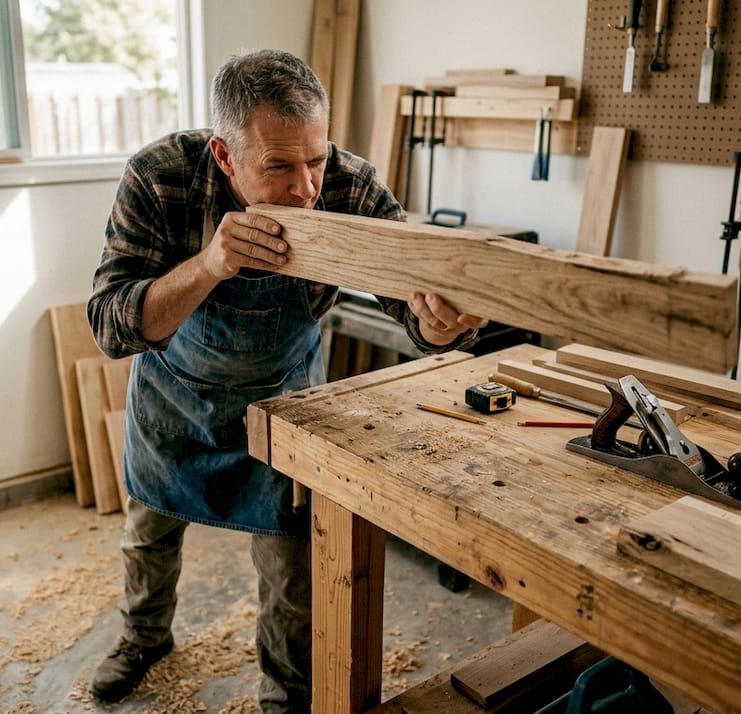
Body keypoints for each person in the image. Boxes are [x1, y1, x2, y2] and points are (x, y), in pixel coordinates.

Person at [86, 49, 484, 712]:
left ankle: (288, 696)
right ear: (223, 155)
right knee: (148, 538)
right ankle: (143, 637)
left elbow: (414, 306)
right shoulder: (159, 180)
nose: (305, 188)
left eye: (316, 159)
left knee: (291, 567)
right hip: (174, 397)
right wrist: (209, 264)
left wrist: (441, 324)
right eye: (278, 165)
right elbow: (109, 325)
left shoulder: (350, 187)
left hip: (286, 401)